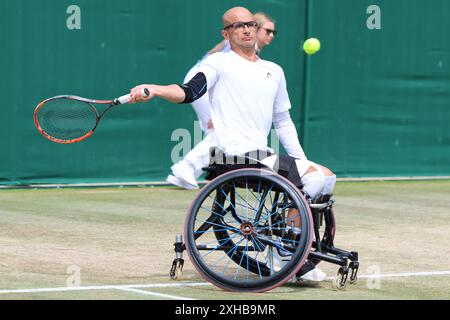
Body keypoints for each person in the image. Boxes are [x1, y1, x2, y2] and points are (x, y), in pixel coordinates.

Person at [130, 6, 335, 282]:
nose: (247, 29)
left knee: (326, 178)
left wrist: (302, 161)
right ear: (226, 34)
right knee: (314, 180)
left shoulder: (273, 70)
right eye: (238, 26)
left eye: (250, 24)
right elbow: (188, 92)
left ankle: (289, 247)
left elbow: (283, 122)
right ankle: (284, 254)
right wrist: (155, 89)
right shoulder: (217, 64)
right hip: (234, 154)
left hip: (261, 153)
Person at [167, 12, 278, 190]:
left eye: (274, 32)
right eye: (268, 30)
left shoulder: (248, 47)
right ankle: (185, 167)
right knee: (222, 130)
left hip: (208, 81)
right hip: (204, 83)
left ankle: (188, 172)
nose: (271, 35)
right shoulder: (244, 45)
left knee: (222, 133)